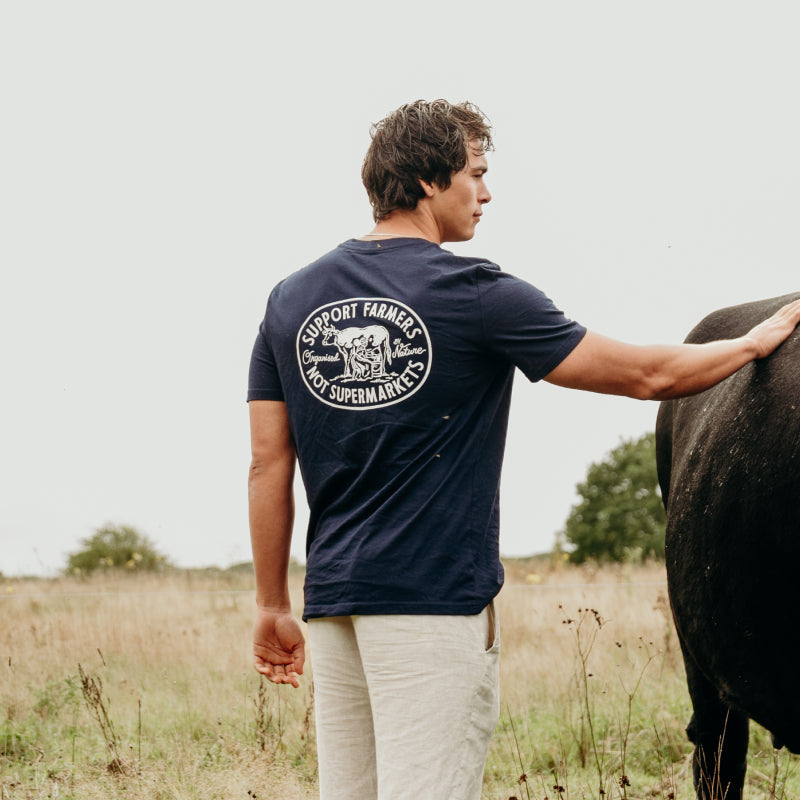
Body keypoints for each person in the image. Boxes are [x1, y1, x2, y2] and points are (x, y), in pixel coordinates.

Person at [247, 99, 800, 800]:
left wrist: (272, 602)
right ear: (428, 181)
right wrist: (750, 344)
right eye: (475, 173)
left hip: (333, 607)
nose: (485, 193)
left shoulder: (291, 299)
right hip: (434, 606)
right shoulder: (474, 292)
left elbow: (269, 462)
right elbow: (646, 376)